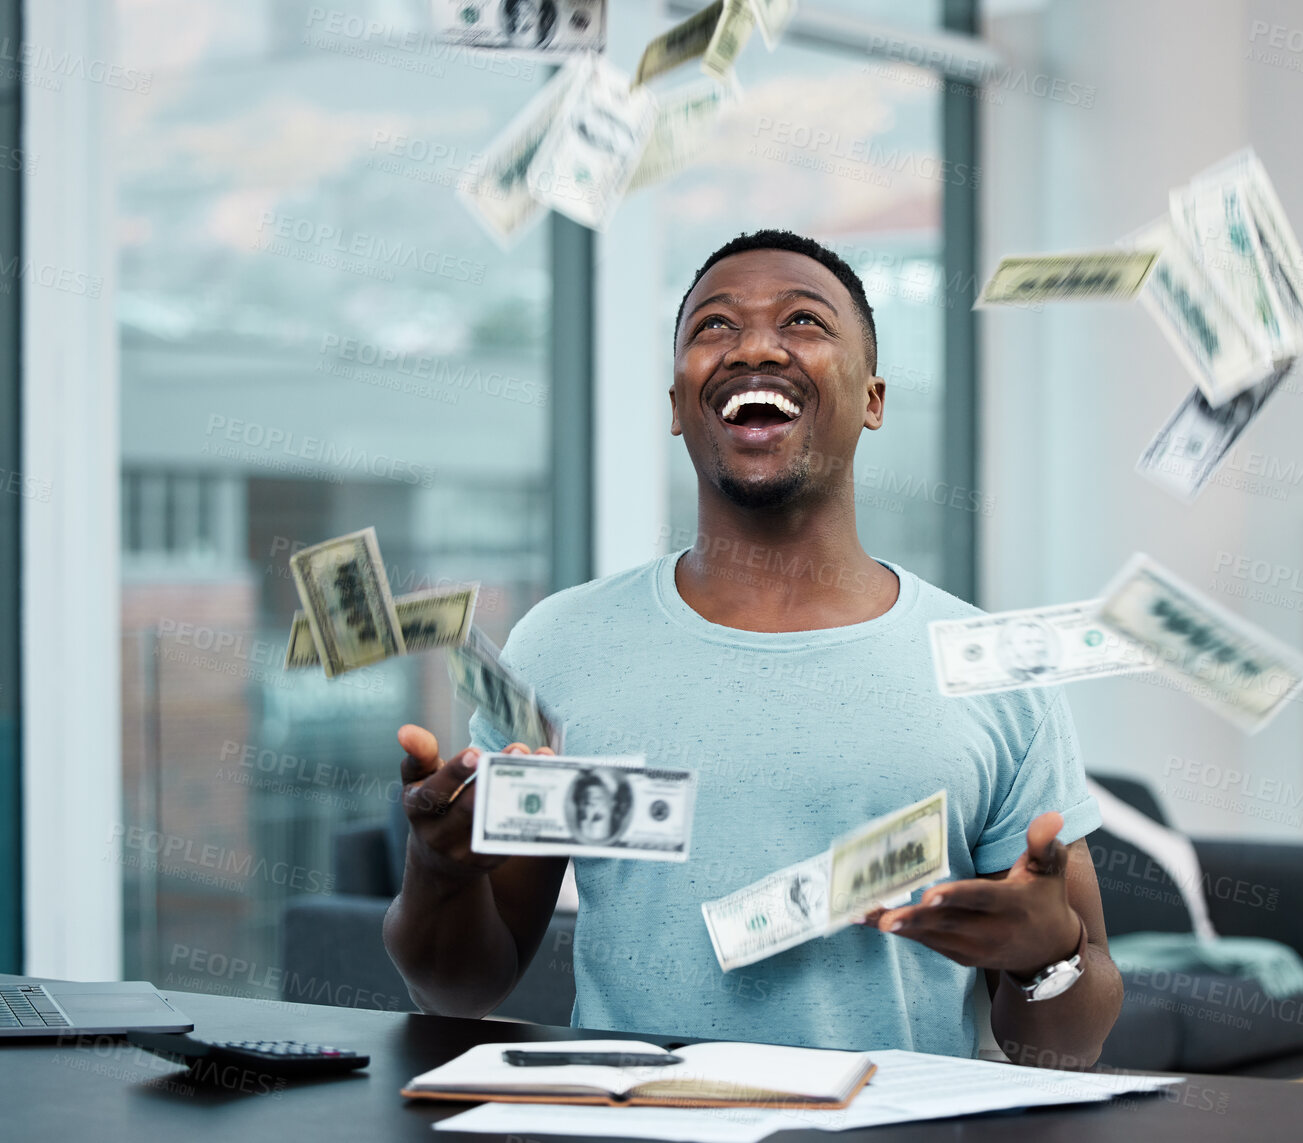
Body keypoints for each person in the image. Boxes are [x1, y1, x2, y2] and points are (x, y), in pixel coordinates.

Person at [384, 229, 1122, 1067]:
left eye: (804, 322)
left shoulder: (990, 667)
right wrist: (438, 873)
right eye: (714, 327)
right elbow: (459, 990)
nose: (755, 347)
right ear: (675, 403)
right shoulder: (560, 642)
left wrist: (1047, 956)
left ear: (873, 398)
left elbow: (1070, 1044)